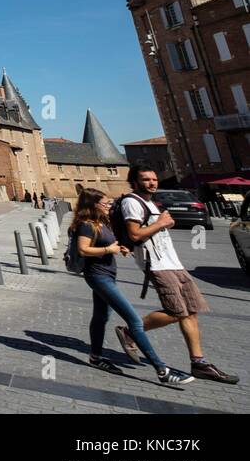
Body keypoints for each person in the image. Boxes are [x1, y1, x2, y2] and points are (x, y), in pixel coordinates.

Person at [118, 163, 239, 385]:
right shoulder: (130, 202)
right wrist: (162, 222)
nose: (152, 182)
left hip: (173, 262)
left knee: (192, 310)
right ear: (134, 182)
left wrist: (165, 223)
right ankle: (130, 330)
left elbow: (153, 227)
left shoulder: (149, 202)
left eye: (154, 179)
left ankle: (199, 362)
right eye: (146, 179)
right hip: (156, 264)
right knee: (177, 312)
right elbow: (134, 235)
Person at [71, 188, 192, 385]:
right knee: (134, 321)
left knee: (101, 317)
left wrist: (120, 248)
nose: (109, 206)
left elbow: (109, 242)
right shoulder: (85, 225)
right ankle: (162, 370)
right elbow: (83, 249)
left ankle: (95, 357)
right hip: (98, 277)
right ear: (93, 205)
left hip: (107, 276)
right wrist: (107, 249)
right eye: (105, 203)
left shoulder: (102, 223)